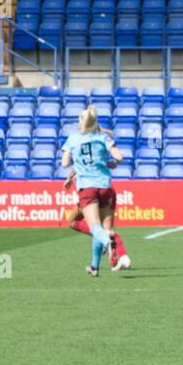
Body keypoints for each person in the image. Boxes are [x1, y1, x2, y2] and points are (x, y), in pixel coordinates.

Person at [61, 106, 124, 278]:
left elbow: (65, 163)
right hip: (105, 186)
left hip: (87, 188)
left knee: (95, 227)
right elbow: (119, 157)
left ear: (81, 123)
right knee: (101, 226)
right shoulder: (103, 137)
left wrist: (74, 161)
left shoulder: (73, 139)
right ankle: (95, 267)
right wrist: (112, 163)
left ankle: (109, 243)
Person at [62, 174, 131, 271]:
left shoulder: (81, 162)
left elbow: (69, 164)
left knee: (77, 222)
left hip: (90, 191)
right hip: (105, 189)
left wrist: (69, 178)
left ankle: (104, 252)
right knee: (106, 230)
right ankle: (123, 258)